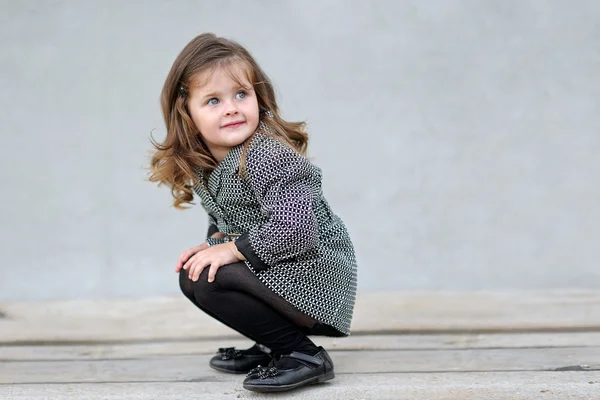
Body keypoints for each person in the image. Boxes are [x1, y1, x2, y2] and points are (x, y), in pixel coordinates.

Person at [148, 32, 357, 393]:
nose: (231, 107)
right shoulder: (207, 164)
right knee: (195, 273)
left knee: (211, 277)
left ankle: (303, 354)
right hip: (280, 267)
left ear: (259, 98)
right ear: (187, 114)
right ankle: (273, 345)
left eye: (241, 95)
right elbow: (225, 216)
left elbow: (295, 229)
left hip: (316, 273)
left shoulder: (266, 156)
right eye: (213, 100)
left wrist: (229, 250)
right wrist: (214, 242)